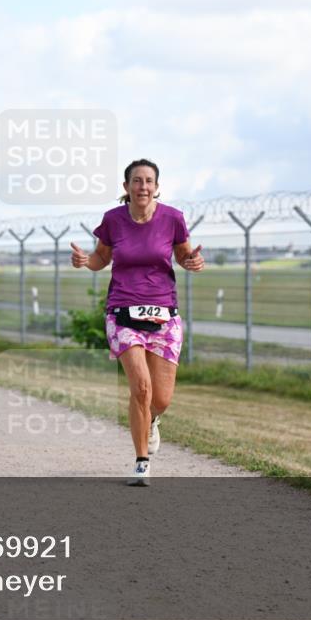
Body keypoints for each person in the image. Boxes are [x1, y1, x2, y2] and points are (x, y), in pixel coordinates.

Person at [71, 159, 205, 486]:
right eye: (136, 181)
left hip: (164, 314)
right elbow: (102, 258)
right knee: (141, 388)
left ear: (156, 186)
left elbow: (184, 256)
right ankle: (141, 461)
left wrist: (193, 261)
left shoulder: (173, 218)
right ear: (126, 187)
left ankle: (152, 419)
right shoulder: (113, 220)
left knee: (160, 399)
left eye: (148, 181)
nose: (142, 186)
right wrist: (86, 261)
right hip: (122, 312)